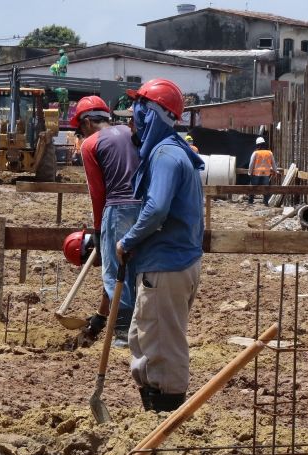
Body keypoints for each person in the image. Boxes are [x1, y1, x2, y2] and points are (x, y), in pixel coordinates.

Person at [116, 78, 204, 412]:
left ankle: (166, 417)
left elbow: (156, 209)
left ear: (152, 114)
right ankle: (154, 407)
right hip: (169, 263)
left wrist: (128, 240)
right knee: (145, 336)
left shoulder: (166, 155)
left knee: (163, 344)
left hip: (168, 265)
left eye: (138, 109)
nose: (132, 118)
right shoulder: (171, 151)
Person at [70, 95, 140, 348]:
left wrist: (99, 231)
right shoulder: (131, 131)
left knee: (114, 272)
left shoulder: (91, 144)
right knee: (137, 268)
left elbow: (97, 192)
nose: (80, 133)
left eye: (80, 128)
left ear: (88, 122)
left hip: (118, 208)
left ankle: (122, 336)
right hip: (146, 207)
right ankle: (133, 328)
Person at [247, 136, 277, 205]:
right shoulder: (269, 153)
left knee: (253, 188)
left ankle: (250, 201)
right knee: (265, 188)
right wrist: (275, 171)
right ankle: (266, 202)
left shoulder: (255, 153)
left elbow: (251, 164)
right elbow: (273, 164)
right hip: (266, 174)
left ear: (257, 145)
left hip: (256, 173)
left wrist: (249, 172)